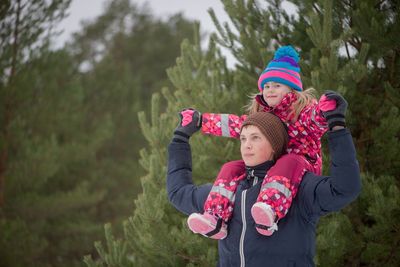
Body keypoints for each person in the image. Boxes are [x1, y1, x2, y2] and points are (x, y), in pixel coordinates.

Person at [182, 45, 340, 239]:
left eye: (277, 85)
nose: (270, 90)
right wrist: (201, 121)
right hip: (267, 166)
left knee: (289, 160)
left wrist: (326, 110)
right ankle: (216, 218)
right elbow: (236, 124)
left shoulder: (303, 112)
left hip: (301, 166)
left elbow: (316, 119)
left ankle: (269, 213)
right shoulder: (262, 115)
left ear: (291, 89)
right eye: (266, 86)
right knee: (232, 167)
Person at [167, 111, 361, 266]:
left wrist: (337, 127)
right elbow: (178, 192)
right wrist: (180, 139)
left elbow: (344, 189)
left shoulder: (299, 187)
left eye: (255, 138)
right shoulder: (226, 192)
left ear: (274, 146)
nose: (247, 145)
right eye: (243, 139)